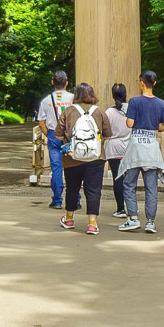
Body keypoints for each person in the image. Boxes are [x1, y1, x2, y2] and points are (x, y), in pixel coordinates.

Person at [116, 70, 164, 234]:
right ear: (154, 83)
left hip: (136, 148)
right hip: (151, 147)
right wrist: (155, 126)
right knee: (151, 187)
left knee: (129, 184)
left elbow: (130, 123)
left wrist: (130, 119)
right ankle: (150, 222)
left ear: (141, 83)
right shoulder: (161, 103)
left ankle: (132, 218)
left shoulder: (134, 101)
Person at [55, 82, 110, 235]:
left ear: (76, 95)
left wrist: (68, 142)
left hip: (72, 158)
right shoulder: (99, 112)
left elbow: (58, 133)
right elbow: (108, 134)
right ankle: (92, 224)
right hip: (95, 158)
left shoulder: (68, 111)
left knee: (72, 188)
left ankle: (69, 219)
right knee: (93, 190)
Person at [35, 71, 74, 209]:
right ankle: (75, 199)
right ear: (67, 82)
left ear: (53, 82)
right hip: (70, 135)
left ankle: (57, 200)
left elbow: (41, 123)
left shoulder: (46, 101)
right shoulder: (73, 98)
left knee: (56, 168)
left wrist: (49, 135)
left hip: (53, 134)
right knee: (72, 166)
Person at [104, 83, 132, 219]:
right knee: (129, 179)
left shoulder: (109, 112)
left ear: (112, 95)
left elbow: (105, 131)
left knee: (118, 178)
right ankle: (132, 208)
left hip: (114, 148)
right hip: (129, 147)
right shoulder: (132, 109)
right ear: (126, 94)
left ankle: (120, 209)